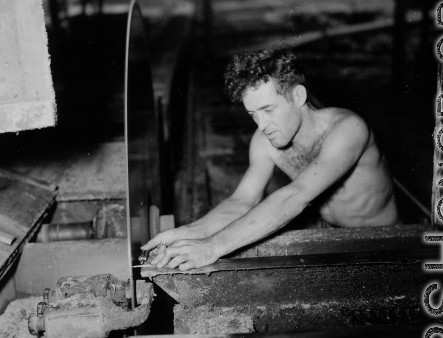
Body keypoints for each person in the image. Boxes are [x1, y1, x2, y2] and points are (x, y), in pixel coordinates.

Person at [141, 49, 399, 271]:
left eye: (268, 110)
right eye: (253, 114)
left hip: (388, 244)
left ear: (298, 96)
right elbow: (241, 200)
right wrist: (192, 232)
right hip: (334, 239)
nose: (262, 125)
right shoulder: (264, 140)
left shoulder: (348, 128)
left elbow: (296, 196)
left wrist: (212, 246)